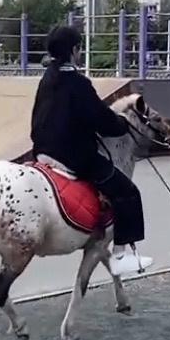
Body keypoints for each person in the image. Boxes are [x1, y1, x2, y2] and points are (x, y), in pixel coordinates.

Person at [30, 25, 153, 277]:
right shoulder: (77, 83)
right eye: (79, 48)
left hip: (41, 151)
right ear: (75, 50)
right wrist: (122, 123)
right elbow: (102, 120)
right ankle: (120, 255)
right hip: (71, 156)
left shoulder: (47, 79)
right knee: (127, 192)